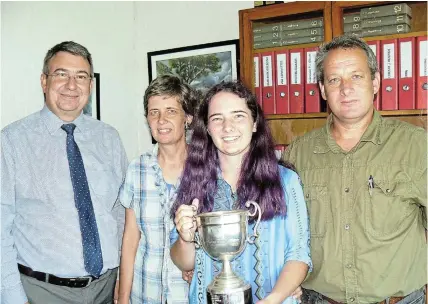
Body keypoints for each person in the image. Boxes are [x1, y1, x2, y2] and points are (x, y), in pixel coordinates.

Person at [282, 34, 427, 304]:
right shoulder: (297, 154)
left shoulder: (417, 146)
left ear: (375, 82)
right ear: (323, 90)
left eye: (356, 76)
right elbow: (283, 233)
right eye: (334, 79)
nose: (345, 88)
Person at [1, 41, 128, 304]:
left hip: (106, 287)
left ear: (90, 86)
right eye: (62, 74)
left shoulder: (109, 138)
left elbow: (119, 213)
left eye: (81, 76)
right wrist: (12, 297)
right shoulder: (11, 141)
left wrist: (122, 279)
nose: (72, 85)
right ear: (44, 81)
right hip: (42, 291)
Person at [170, 81, 312, 304]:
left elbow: (299, 254)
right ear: (207, 128)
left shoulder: (286, 181)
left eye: (238, 116)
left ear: (254, 123)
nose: (228, 127)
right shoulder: (193, 182)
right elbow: (184, 263)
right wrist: (185, 239)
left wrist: (273, 299)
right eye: (217, 118)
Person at [117, 74, 200, 304]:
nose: (161, 120)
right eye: (154, 112)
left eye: (171, 111)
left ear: (188, 118)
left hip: (189, 294)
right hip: (144, 292)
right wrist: (123, 298)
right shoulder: (137, 169)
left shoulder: (208, 169)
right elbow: (130, 238)